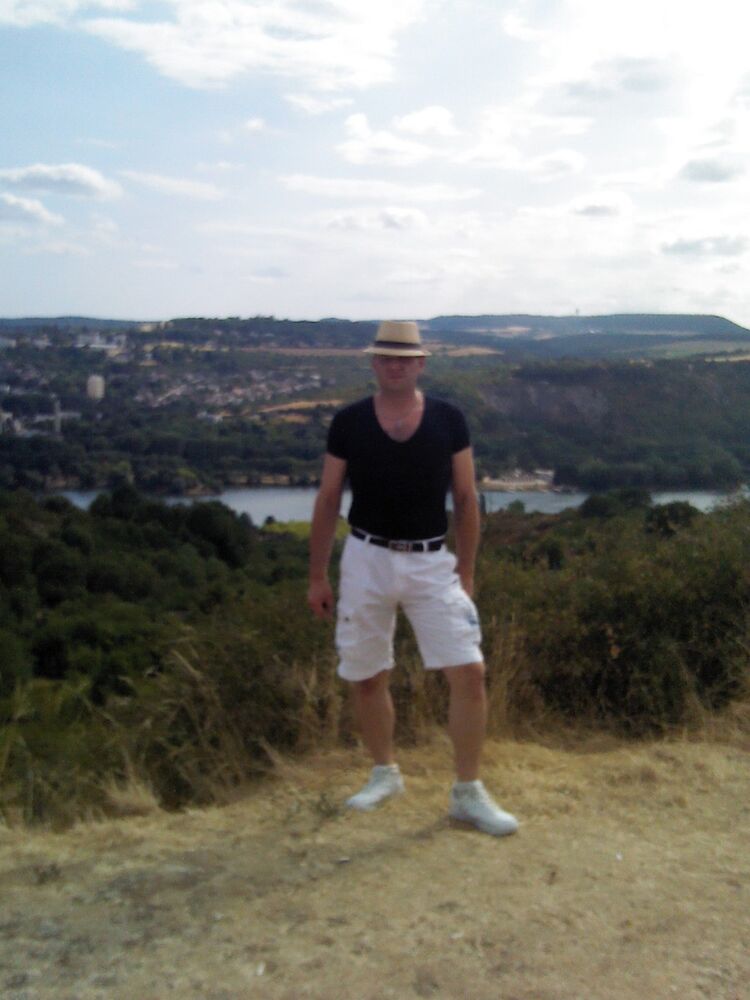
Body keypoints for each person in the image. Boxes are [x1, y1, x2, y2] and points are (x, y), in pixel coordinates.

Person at [307, 320, 518, 837]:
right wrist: (317, 576)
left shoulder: (449, 420)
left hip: (431, 561)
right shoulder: (349, 422)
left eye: (404, 358)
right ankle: (385, 774)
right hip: (365, 558)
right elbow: (329, 499)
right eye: (386, 357)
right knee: (366, 674)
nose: (395, 366)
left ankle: (467, 792)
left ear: (421, 363)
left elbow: (465, 499)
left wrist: (466, 569)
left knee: (469, 671)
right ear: (373, 363)